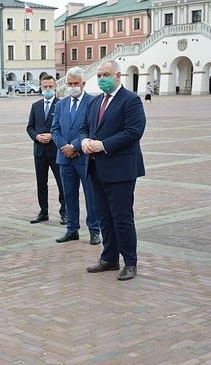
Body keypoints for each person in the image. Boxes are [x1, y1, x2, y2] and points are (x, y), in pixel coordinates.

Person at [78, 60, 146, 281]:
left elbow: (133, 131)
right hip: (96, 168)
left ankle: (130, 262)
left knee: (122, 217)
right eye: (98, 75)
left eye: (105, 74)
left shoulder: (131, 100)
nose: (101, 79)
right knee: (103, 216)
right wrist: (84, 141)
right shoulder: (95, 102)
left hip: (120, 170)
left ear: (118, 76)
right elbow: (83, 128)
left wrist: (103, 145)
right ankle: (109, 258)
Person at [52, 67, 101, 245]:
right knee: (69, 195)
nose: (73, 87)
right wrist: (64, 146)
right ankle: (72, 229)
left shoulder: (93, 103)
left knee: (91, 195)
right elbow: (55, 129)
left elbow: (92, 130)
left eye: (76, 84)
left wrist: (74, 146)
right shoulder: (60, 104)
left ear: (83, 83)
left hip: (85, 157)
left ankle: (94, 230)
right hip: (64, 157)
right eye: (70, 84)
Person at [26, 75, 66, 225]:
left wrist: (53, 136)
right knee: (41, 183)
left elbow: (65, 128)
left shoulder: (61, 104)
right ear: (40, 87)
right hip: (40, 151)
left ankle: (64, 212)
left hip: (56, 151)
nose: (47, 89)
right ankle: (43, 211)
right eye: (45, 87)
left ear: (55, 87)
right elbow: (30, 127)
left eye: (50, 86)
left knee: (62, 182)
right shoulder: (36, 106)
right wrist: (36, 137)